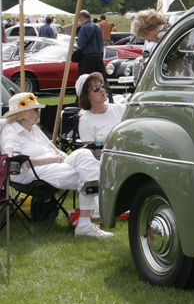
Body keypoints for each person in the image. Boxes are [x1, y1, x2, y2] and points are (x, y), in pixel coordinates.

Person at [1, 92, 112, 238]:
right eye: (36, 110)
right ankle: (93, 214)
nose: (39, 113)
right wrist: (50, 160)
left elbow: (52, 148)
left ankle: (92, 214)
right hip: (31, 172)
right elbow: (12, 160)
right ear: (23, 113)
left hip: (52, 166)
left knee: (84, 155)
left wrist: (61, 155)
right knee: (82, 176)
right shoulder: (11, 130)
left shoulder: (33, 129)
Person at [76, 73, 127, 146]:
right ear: (86, 96)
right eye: (96, 88)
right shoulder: (85, 121)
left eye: (101, 86)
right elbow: (91, 151)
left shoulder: (120, 109)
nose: (102, 90)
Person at [75, 10, 105, 79]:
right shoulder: (97, 27)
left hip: (87, 59)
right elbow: (101, 44)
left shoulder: (84, 28)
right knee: (100, 80)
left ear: (81, 17)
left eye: (79, 19)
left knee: (84, 80)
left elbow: (81, 45)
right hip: (98, 58)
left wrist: (75, 46)